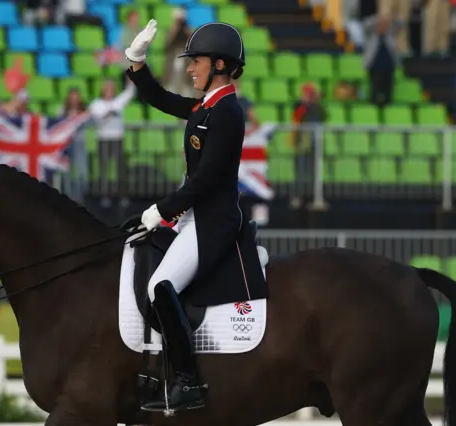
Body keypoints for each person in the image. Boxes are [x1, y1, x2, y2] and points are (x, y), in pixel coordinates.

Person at [125, 20, 267, 413]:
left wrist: (162, 210)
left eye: (196, 62)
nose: (190, 69)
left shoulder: (228, 113)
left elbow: (206, 180)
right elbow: (159, 98)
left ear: (220, 65)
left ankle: (188, 381)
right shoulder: (206, 106)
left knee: (160, 285)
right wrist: (137, 63)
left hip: (212, 222)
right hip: (192, 217)